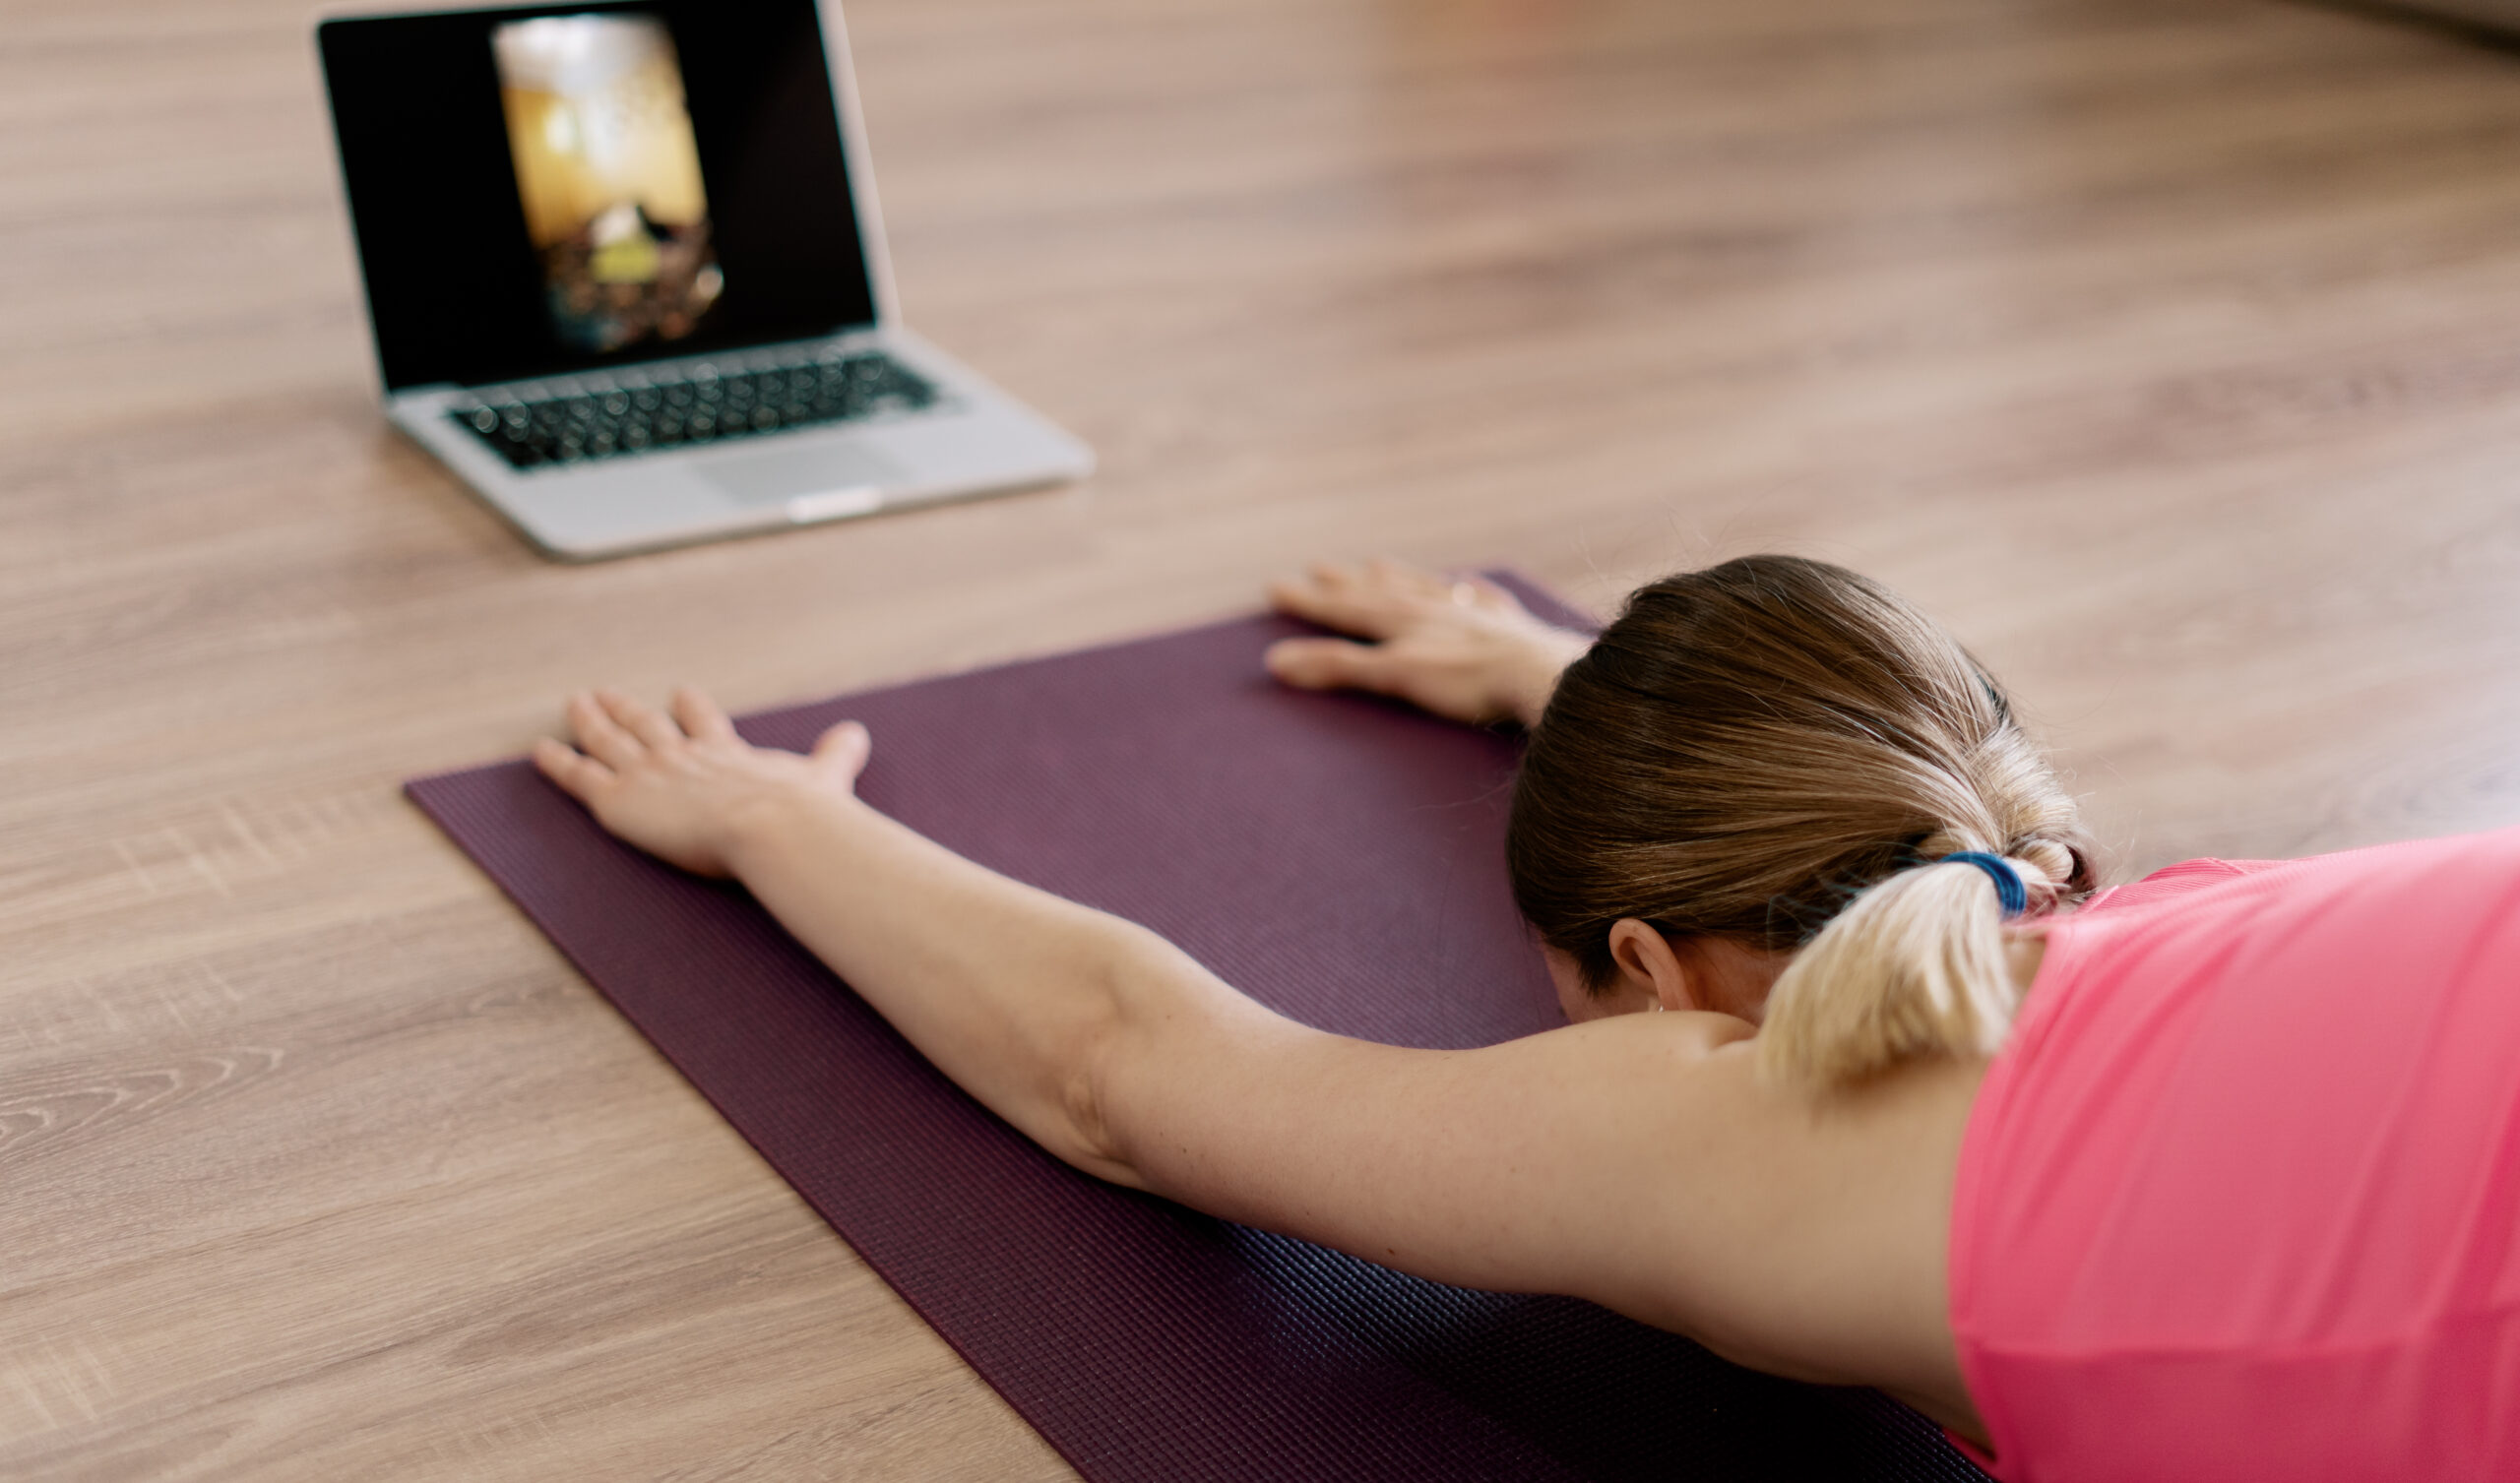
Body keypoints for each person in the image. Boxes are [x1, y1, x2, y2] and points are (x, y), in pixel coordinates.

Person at [535, 555, 2520, 1482]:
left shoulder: (1730, 1115)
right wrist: (1570, 680)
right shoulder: (2194, 912)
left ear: (1646, 977)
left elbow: (1122, 1065)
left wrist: (784, 821)